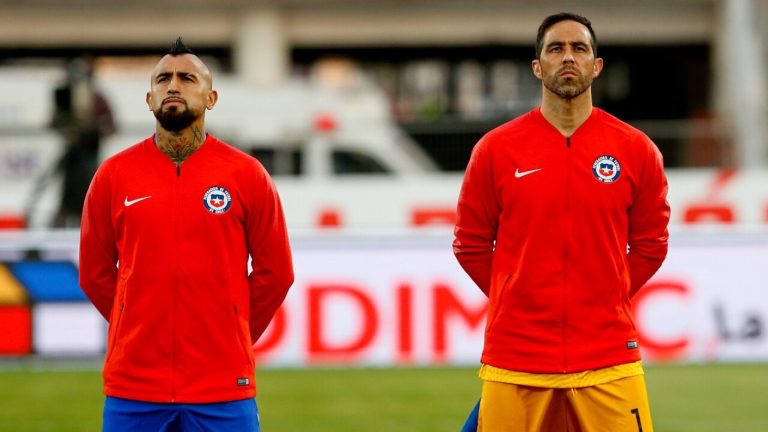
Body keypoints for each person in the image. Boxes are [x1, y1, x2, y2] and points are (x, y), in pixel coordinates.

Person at [453, 12, 669, 431]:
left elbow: (651, 244)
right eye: (555, 48)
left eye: (579, 48)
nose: (567, 57)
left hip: (609, 356)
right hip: (516, 359)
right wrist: (517, 293)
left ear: (596, 65)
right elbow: (471, 245)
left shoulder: (636, 150)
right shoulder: (495, 150)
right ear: (538, 67)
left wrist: (606, 292)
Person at [79, 37, 294, 432]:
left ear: (211, 98)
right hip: (134, 387)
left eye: (187, 78)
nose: (173, 86)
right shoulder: (113, 175)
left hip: (224, 386)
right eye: (163, 79)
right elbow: (94, 272)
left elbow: (276, 272)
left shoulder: (247, 175)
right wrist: (136, 323)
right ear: (149, 99)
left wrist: (231, 332)